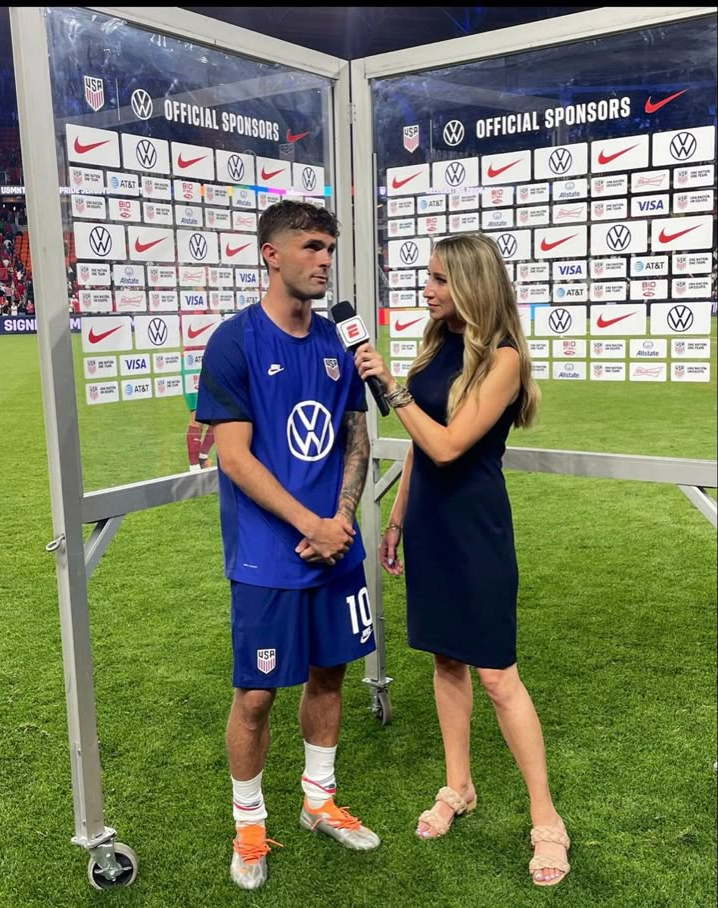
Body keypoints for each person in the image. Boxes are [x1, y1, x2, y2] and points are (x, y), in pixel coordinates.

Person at [353, 232, 570, 887]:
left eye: (440, 280)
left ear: (472, 284)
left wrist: (391, 387)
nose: (427, 289)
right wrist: (395, 519)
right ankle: (459, 787)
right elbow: (421, 451)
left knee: (499, 676)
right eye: (428, 277)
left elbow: (448, 446)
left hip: (474, 530)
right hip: (427, 526)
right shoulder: (438, 345)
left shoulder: (503, 360)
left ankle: (546, 821)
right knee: (447, 661)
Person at [195, 200, 379, 891]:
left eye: (328, 248)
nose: (324, 260)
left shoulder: (340, 342)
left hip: (336, 545)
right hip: (270, 556)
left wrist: (339, 520)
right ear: (271, 254)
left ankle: (318, 800)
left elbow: (356, 436)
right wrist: (310, 525)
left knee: (330, 674)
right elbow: (235, 459)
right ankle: (248, 822)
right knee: (255, 696)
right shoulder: (235, 342)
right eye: (310, 247)